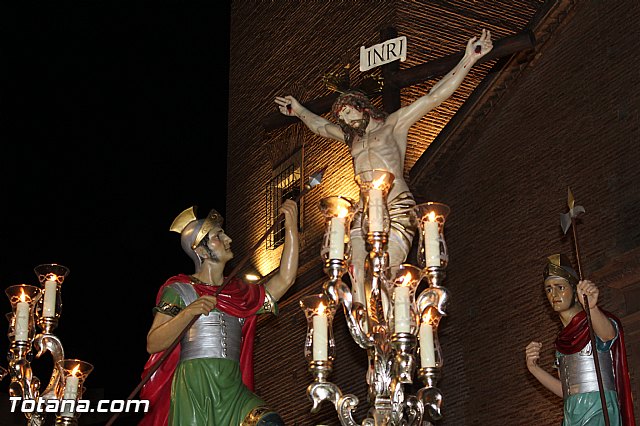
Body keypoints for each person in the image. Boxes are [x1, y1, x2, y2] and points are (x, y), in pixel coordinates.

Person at [275, 30, 493, 308]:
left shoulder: (393, 125)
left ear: (362, 107)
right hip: (365, 210)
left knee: (387, 270)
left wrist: (468, 59)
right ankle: (366, 316)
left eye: (348, 112)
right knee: (353, 269)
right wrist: (299, 111)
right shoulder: (351, 138)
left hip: (397, 204)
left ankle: (394, 321)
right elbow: (321, 127)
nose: (346, 120)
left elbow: (433, 97)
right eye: (342, 117)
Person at [139, 200, 299, 426]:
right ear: (202, 250)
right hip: (195, 386)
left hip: (233, 387)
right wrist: (188, 313)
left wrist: (291, 226)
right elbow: (153, 342)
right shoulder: (181, 290)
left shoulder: (240, 293)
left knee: (269, 422)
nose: (228, 240)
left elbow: (285, 279)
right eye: (218, 236)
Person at [525, 254, 635, 425]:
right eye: (548, 289)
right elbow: (567, 391)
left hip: (599, 408)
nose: (554, 294)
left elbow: (608, 335)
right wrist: (534, 369)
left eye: (560, 287)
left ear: (575, 290)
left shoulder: (592, 323)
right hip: (573, 413)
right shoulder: (562, 342)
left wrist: (592, 308)